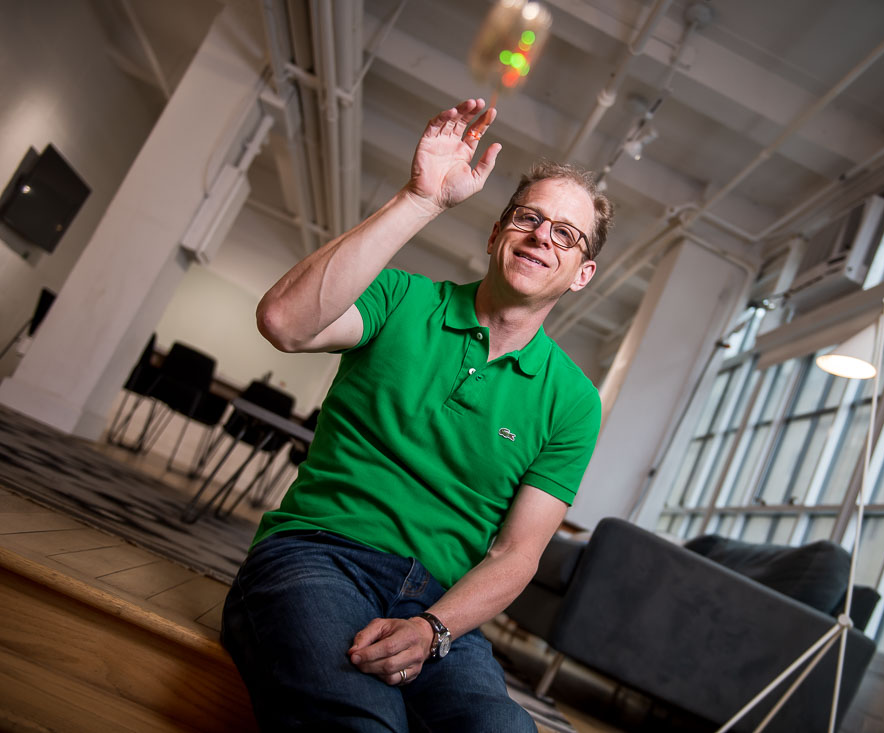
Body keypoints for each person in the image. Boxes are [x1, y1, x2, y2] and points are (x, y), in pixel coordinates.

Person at [220, 97, 614, 732]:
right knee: (363, 721)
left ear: (581, 273)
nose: (543, 236)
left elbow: (516, 555)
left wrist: (435, 628)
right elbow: (284, 324)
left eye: (566, 234)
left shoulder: (572, 400)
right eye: (528, 218)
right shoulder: (401, 297)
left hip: (438, 603)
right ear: (495, 233)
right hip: (317, 556)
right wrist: (420, 200)